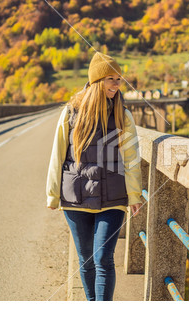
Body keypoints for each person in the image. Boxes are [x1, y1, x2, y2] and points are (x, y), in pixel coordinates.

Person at [46, 52, 142, 301]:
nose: (116, 84)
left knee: (103, 258)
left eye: (119, 79)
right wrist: (52, 193)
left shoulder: (124, 116)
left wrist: (134, 194)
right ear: (97, 81)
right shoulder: (70, 113)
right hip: (75, 199)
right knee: (86, 260)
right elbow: (58, 153)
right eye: (111, 78)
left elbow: (131, 160)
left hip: (113, 198)